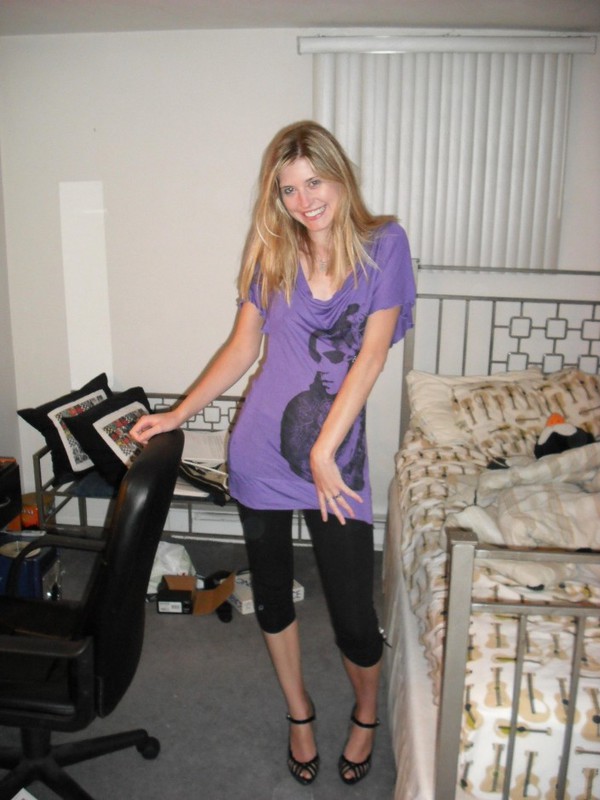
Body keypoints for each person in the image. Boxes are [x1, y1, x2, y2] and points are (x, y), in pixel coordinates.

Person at [131, 120, 415, 786]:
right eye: (289, 189)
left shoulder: (385, 245)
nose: (304, 201)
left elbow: (371, 357)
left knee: (354, 616)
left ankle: (366, 713)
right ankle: (299, 712)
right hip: (261, 451)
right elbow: (242, 349)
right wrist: (177, 413)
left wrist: (323, 450)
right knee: (274, 598)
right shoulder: (272, 251)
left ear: (340, 177)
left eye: (314, 182)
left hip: (334, 462)